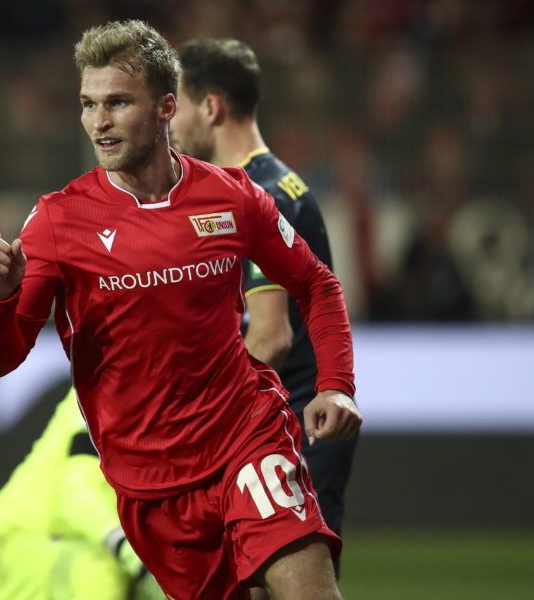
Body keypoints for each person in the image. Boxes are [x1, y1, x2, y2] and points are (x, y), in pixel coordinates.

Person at [0, 20, 361, 600]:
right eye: (88, 104)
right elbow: (0, 358)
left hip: (245, 441)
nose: (98, 122)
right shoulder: (58, 221)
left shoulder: (233, 196)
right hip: (151, 488)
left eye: (117, 103)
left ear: (164, 108)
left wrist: (335, 384)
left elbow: (316, 285)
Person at [169, 38, 359, 565]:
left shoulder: (259, 194)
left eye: (177, 104)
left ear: (211, 107)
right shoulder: (273, 183)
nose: (170, 122)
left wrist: (195, 420)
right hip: (294, 423)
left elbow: (271, 336)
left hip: (293, 426)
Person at [0, 389, 167, 600]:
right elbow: (77, 495)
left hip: (94, 543)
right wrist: (136, 557)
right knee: (98, 575)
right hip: (5, 548)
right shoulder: (109, 382)